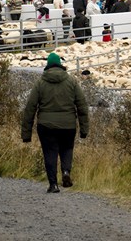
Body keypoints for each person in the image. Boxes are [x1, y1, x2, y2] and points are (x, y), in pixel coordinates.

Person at [20, 52, 90, 193]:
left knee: (49, 153)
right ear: (60, 64)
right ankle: (65, 172)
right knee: (67, 149)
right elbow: (82, 106)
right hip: (68, 124)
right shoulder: (72, 82)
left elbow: (30, 108)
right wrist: (84, 129)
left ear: (47, 65)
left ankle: (53, 185)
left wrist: (26, 134)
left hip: (46, 125)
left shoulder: (40, 83)